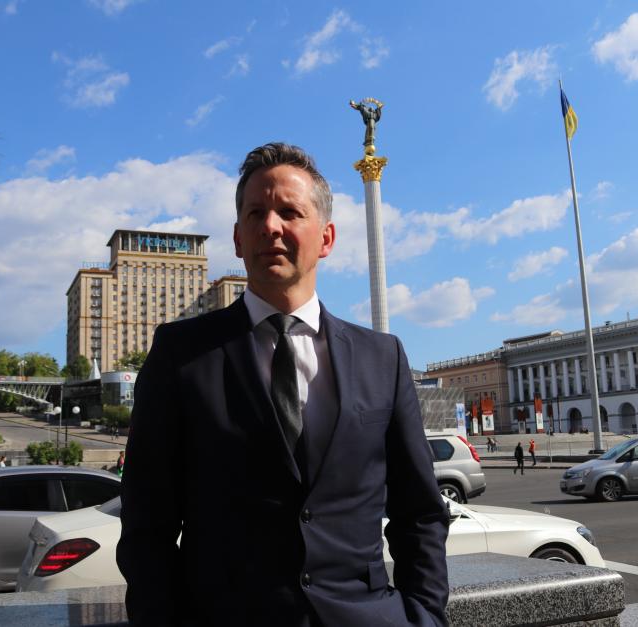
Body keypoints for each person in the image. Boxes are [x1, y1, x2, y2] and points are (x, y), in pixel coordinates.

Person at [118, 143, 449, 627]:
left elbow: (419, 511)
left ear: (326, 238)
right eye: (256, 213)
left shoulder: (383, 358)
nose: (270, 226)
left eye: (290, 212)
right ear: (238, 238)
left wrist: (425, 616)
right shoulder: (180, 354)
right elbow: (147, 518)